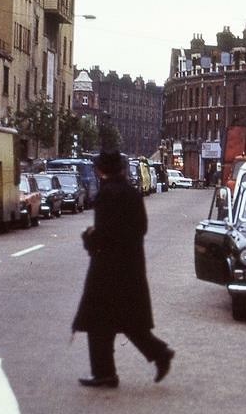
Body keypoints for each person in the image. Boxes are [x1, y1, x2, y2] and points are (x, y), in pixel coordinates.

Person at [72, 150, 175, 388]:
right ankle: (159, 353)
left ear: (101, 170)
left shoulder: (106, 195)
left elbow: (104, 235)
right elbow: (140, 229)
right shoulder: (132, 194)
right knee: (128, 321)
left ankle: (105, 373)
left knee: (99, 322)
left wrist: (89, 237)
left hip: (107, 269)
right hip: (130, 268)